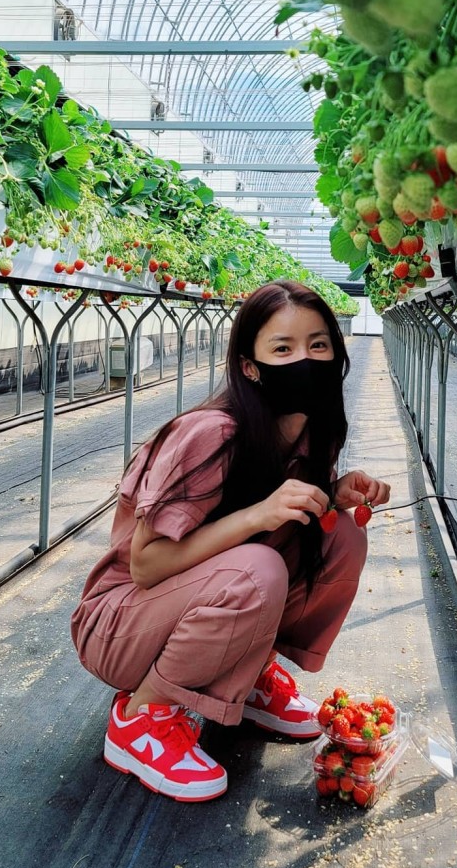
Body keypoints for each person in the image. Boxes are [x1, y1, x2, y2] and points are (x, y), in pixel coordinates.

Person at [70, 280, 390, 802]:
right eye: (282, 349)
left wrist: (331, 495)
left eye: (318, 345)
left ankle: (251, 675)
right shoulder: (211, 433)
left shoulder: (312, 430)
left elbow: (280, 517)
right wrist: (257, 515)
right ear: (249, 366)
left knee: (343, 535)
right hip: (121, 624)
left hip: (187, 601)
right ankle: (141, 716)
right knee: (257, 569)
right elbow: (145, 566)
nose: (304, 360)